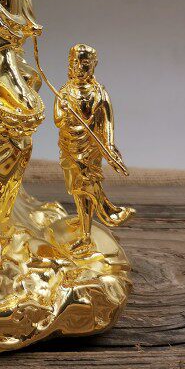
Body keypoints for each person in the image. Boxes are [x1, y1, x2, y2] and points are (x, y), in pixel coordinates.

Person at [54, 44, 134, 254]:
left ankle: (87, 235)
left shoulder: (99, 94)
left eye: (85, 64)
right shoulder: (65, 92)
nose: (79, 68)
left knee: (86, 187)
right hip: (69, 147)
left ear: (93, 65)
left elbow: (107, 124)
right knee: (75, 188)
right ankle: (92, 216)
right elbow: (58, 120)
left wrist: (109, 147)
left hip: (89, 149)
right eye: (75, 63)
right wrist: (63, 108)